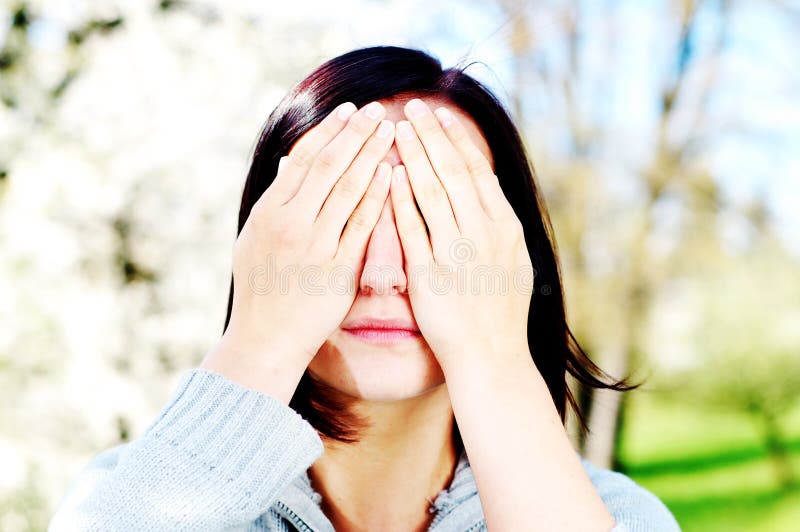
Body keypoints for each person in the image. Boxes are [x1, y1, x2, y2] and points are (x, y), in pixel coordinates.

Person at [48, 45, 681, 531]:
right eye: (341, 218)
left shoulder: (616, 515)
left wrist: (493, 356)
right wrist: (260, 343)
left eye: (433, 220)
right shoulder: (127, 495)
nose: (383, 273)